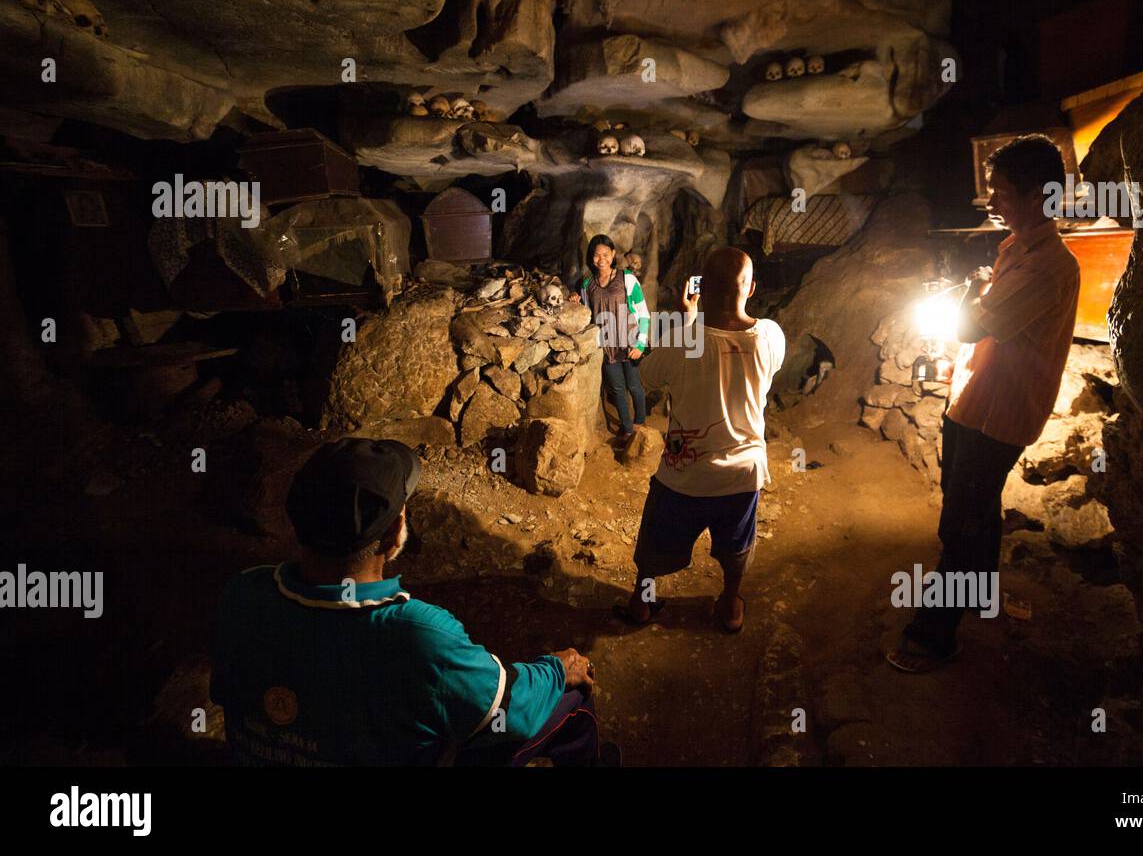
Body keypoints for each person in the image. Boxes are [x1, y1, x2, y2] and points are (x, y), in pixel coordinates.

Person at [210, 437, 615, 766]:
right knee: (569, 697)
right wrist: (557, 669)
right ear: (393, 535)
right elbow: (513, 709)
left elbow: (225, 693)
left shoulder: (245, 592)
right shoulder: (418, 634)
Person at [887, 135, 1080, 673]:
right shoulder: (1017, 249)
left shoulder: (1048, 266)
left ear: (1038, 196)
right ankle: (978, 595)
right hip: (974, 403)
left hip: (998, 415)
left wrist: (972, 301)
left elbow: (974, 324)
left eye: (1000, 193)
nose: (990, 203)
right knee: (975, 510)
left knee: (962, 524)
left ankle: (935, 635)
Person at [616, 247, 785, 634]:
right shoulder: (771, 336)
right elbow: (727, 351)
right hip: (742, 474)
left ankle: (641, 604)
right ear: (752, 288)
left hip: (685, 475)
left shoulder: (681, 339)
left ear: (701, 288)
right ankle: (729, 606)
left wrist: (689, 318)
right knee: (737, 546)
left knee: (655, 545)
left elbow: (649, 378)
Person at [572, 235, 651, 448]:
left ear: (613, 255)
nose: (601, 259)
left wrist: (640, 343)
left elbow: (643, 313)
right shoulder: (587, 285)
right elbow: (587, 315)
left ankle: (640, 424)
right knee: (616, 389)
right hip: (606, 345)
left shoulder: (627, 279)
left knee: (634, 386)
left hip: (629, 342)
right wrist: (576, 303)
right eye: (596, 255)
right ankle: (626, 429)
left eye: (605, 254)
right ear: (591, 258)